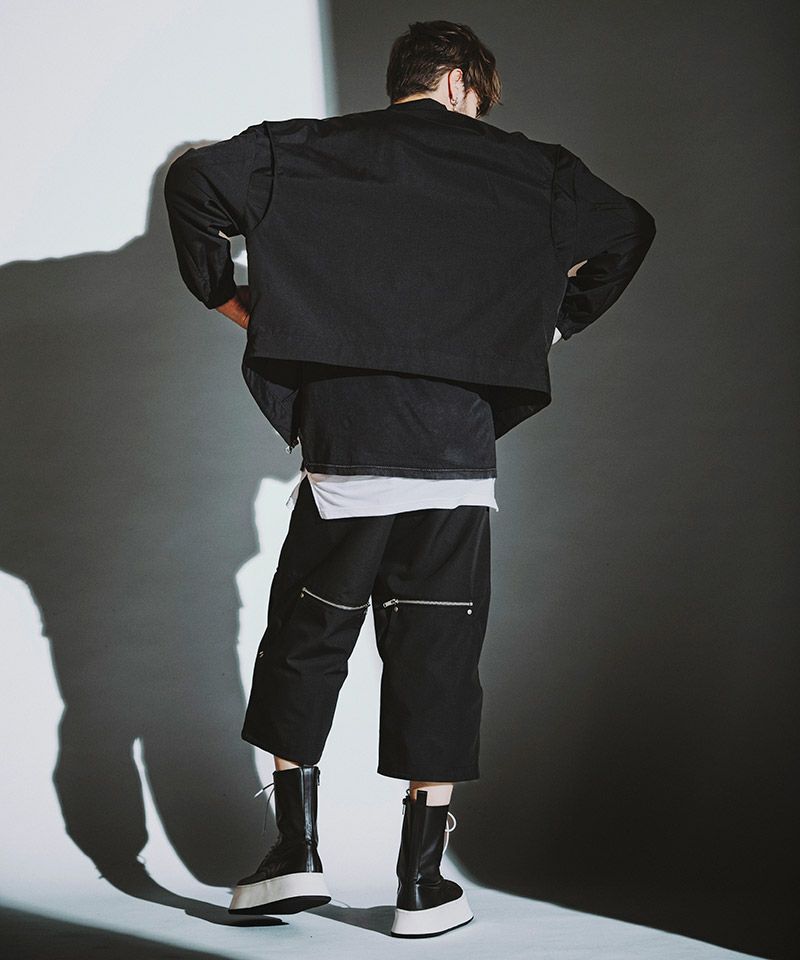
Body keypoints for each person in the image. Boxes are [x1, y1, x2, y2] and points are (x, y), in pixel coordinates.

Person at [163, 19, 656, 938]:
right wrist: (546, 328)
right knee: (440, 660)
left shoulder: (309, 151)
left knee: (306, 642)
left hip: (350, 442)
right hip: (457, 455)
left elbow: (193, 180)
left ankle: (293, 853)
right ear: (461, 81)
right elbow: (628, 229)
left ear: (404, 79)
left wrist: (237, 303)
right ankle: (422, 885)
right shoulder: (533, 171)